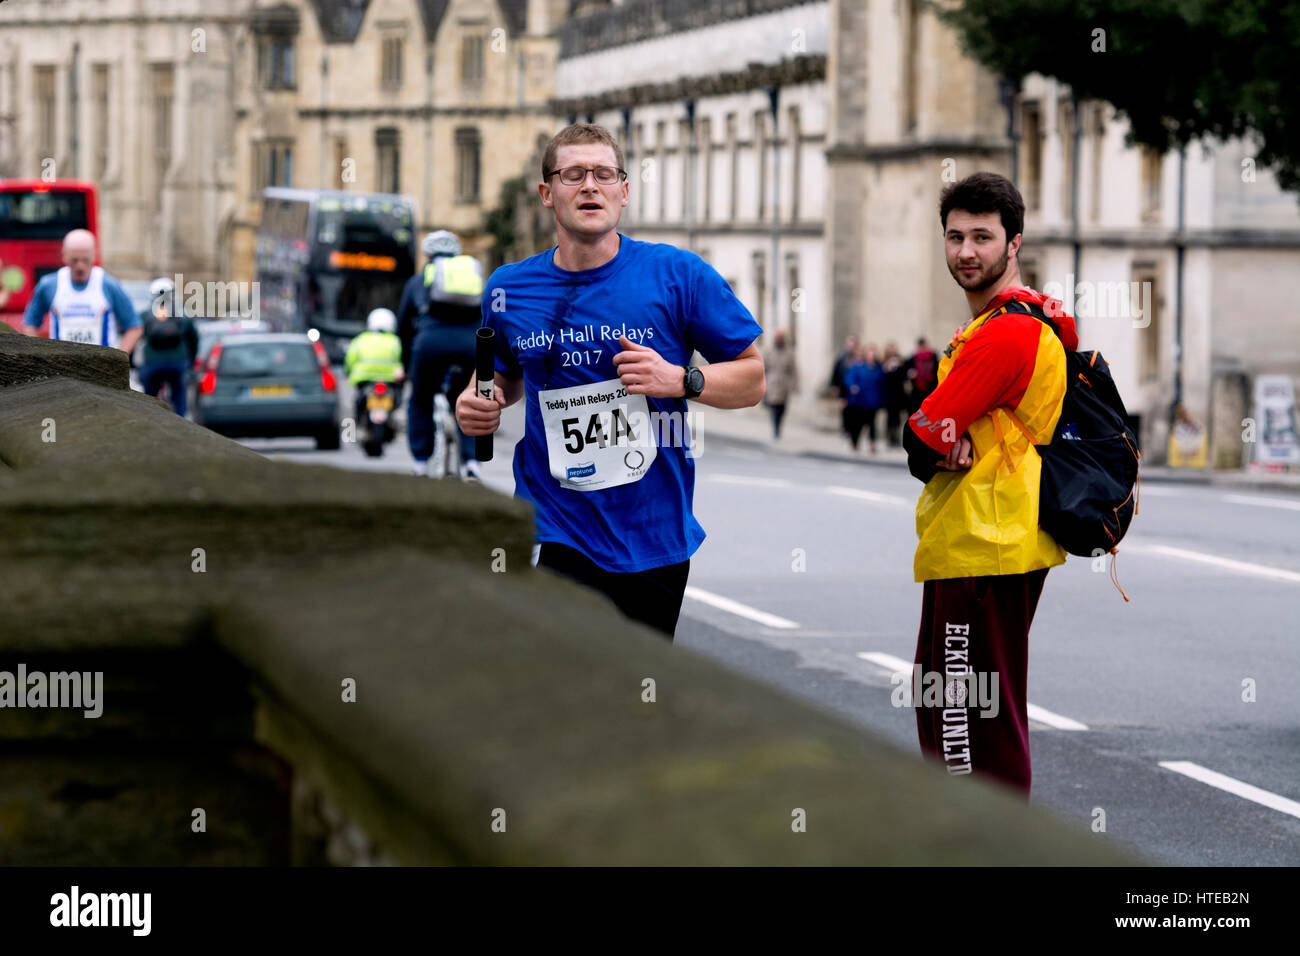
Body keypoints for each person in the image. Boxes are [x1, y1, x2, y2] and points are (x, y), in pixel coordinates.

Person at [456, 122, 765, 640]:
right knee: (570, 688)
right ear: (547, 193)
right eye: (573, 174)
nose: (590, 186)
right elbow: (499, 378)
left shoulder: (678, 276)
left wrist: (679, 379)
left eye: (604, 174)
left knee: (636, 701)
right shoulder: (509, 288)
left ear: (624, 190)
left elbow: (753, 378)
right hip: (555, 530)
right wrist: (477, 402)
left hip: (653, 537)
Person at [902, 171, 1078, 795]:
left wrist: (928, 438)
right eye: (955, 237)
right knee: (967, 708)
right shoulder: (1020, 321)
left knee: (964, 719)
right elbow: (936, 431)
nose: (966, 252)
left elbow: (923, 437)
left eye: (983, 236)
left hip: (985, 547)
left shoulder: (1005, 333)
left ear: (1014, 244)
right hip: (987, 543)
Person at [400, 230, 484, 478]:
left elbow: (403, 328)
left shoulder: (418, 281)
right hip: (471, 346)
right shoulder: (473, 278)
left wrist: (406, 367)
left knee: (420, 399)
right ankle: (472, 462)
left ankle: (421, 461)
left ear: (427, 255)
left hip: (430, 345)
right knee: (472, 400)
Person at [21, 229, 142, 354]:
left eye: (85, 260)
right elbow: (29, 323)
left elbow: (134, 327)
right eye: (74, 260)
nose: (80, 266)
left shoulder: (109, 284)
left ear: (94, 255)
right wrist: (39, 357)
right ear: (64, 256)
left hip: (101, 368)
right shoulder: (49, 285)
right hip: (61, 367)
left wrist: (117, 360)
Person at [138, 276, 198, 416]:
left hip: (153, 362)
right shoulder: (182, 314)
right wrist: (191, 361)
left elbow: (137, 336)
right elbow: (193, 339)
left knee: (149, 397)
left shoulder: (145, 315)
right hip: (178, 362)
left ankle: (150, 418)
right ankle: (181, 420)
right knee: (179, 395)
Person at [345, 307, 406, 426]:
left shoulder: (361, 340)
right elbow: (403, 360)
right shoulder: (395, 341)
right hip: (391, 380)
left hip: (365, 379)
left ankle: (358, 422)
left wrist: (348, 371)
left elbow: (349, 360)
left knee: (358, 403)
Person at [842, 345, 886, 453]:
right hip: (860, 401)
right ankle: (855, 442)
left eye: (873, 354)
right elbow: (849, 378)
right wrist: (852, 386)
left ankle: (872, 444)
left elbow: (883, 384)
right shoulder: (858, 367)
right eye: (870, 354)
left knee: (872, 424)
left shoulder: (879, 369)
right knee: (858, 424)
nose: (872, 357)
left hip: (873, 401)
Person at [762, 328, 797, 439]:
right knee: (774, 407)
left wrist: (793, 385)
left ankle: (778, 426)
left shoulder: (789, 352)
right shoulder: (769, 351)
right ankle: (776, 429)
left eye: (780, 337)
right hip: (771, 383)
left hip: (784, 385)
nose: (778, 340)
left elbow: (793, 370)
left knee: (782, 408)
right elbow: (764, 368)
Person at [828, 333, 858, 436]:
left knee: (853, 409)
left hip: (853, 388)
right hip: (843, 387)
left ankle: (851, 428)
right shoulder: (841, 357)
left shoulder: (857, 357)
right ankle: (844, 428)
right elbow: (835, 371)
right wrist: (834, 385)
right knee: (845, 408)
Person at [881, 341, 908, 447]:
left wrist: (901, 366)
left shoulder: (900, 361)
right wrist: (886, 368)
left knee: (897, 418)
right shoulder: (884, 362)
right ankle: (889, 437)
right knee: (889, 417)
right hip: (888, 394)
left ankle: (896, 437)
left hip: (899, 394)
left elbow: (904, 376)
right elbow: (882, 377)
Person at [906, 336, 938, 412]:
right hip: (917, 387)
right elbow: (908, 369)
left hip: (930, 386)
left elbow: (937, 369)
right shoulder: (914, 357)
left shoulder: (933, 356)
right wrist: (910, 373)